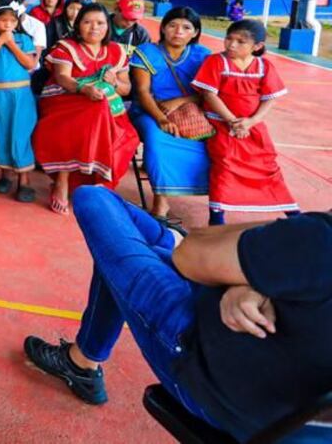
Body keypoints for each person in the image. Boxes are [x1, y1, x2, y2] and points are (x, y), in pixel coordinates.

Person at [23, 187, 332, 443]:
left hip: (203, 363)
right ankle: (82, 362)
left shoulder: (320, 239)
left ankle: (170, 238)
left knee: (94, 199)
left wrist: (262, 265)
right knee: (134, 255)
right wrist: (257, 282)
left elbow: (190, 257)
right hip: (282, 418)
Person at [33, 3, 139, 216]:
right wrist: (84, 88)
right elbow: (63, 77)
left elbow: (126, 89)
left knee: (126, 134)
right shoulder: (66, 47)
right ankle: (63, 180)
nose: (94, 28)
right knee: (93, 111)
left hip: (107, 107)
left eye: (100, 23)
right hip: (63, 99)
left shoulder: (117, 51)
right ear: (78, 24)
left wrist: (115, 83)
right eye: (87, 22)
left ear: (108, 26)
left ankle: (99, 184)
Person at [193, 20, 298, 225]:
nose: (231, 45)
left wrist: (252, 121)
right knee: (225, 164)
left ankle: (290, 211)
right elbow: (209, 94)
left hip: (252, 128)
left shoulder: (264, 66)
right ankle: (217, 216)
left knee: (267, 165)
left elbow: (270, 97)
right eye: (229, 39)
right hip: (221, 125)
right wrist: (232, 121)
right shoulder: (216, 62)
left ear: (257, 46)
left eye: (240, 41)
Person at [129, 6, 213, 221]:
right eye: (173, 25)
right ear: (164, 28)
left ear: (195, 32)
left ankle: (217, 198)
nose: (178, 31)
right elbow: (142, 92)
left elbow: (210, 92)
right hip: (149, 111)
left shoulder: (202, 55)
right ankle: (161, 203)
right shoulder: (146, 52)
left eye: (186, 27)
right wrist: (161, 118)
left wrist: (181, 101)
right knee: (157, 139)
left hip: (192, 109)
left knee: (217, 139)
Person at [0, 0, 39, 203]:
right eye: (3, 20)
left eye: (12, 20)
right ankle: (5, 176)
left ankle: (25, 181)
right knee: (0, 134)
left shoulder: (23, 39)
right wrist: (0, 41)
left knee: (20, 134)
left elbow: (30, 63)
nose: (8, 24)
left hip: (20, 94)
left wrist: (10, 42)